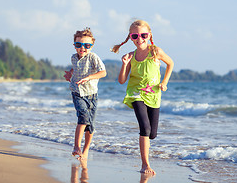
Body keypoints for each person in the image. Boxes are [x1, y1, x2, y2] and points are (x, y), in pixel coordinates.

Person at [111, 20, 174, 175]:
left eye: (143, 35)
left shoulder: (156, 52)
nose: (139, 38)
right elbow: (121, 80)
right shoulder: (130, 56)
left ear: (149, 35)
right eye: (135, 36)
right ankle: (145, 164)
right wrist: (125, 65)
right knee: (144, 128)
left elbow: (171, 63)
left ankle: (145, 150)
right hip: (136, 93)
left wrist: (164, 82)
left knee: (152, 134)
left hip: (154, 95)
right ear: (131, 37)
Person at [64, 27, 107, 160]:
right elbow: (75, 69)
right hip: (77, 92)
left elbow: (103, 72)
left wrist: (89, 77)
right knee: (83, 117)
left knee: (90, 126)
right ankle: (76, 146)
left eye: (87, 45)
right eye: (79, 45)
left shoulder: (93, 57)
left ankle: (85, 150)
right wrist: (70, 75)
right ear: (74, 45)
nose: (82, 48)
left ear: (92, 46)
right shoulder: (73, 57)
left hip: (92, 94)